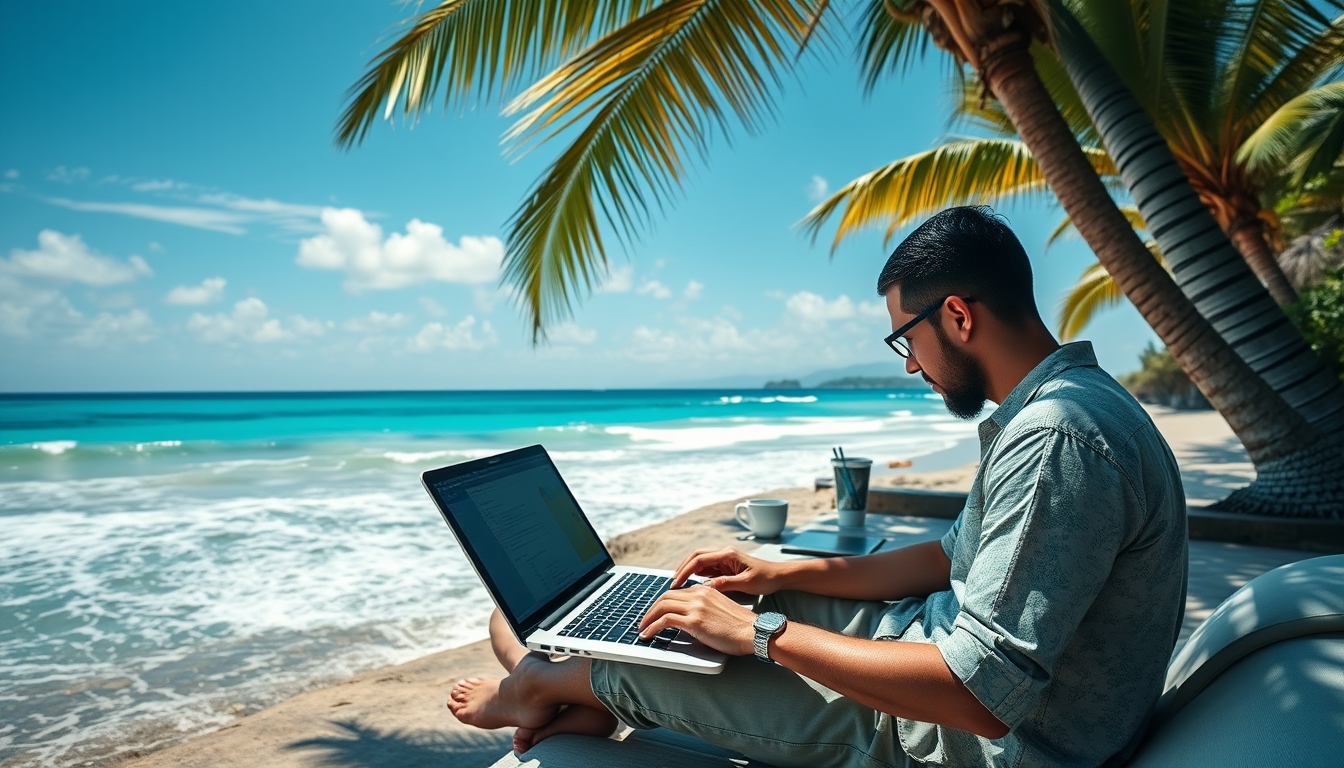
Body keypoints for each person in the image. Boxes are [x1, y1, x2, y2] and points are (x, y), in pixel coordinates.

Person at [448, 206, 1188, 768]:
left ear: (957, 315)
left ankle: (539, 687)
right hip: (918, 645)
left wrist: (760, 635)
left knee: (667, 648)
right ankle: (560, 683)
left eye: (907, 339)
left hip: (942, 734)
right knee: (693, 617)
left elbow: (981, 696)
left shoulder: (1056, 439)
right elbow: (948, 557)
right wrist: (782, 573)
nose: (909, 365)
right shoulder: (1068, 405)